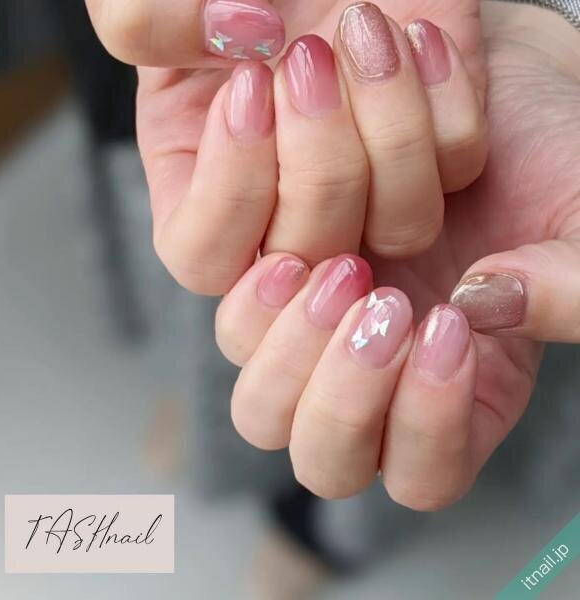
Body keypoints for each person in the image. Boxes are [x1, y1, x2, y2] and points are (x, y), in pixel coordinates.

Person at [85, 0, 580, 509]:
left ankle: (312, 534)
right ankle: (204, 419)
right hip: (176, 93)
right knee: (233, 296)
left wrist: (553, 25)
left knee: (372, 401)